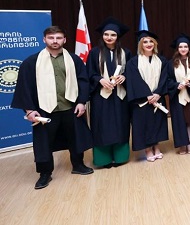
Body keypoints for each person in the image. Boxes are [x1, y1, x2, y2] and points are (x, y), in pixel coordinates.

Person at [12, 26, 94, 189]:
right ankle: (45, 173)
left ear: (64, 40)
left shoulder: (73, 60)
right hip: (44, 110)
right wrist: (29, 110)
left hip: (70, 107)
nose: (55, 41)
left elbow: (83, 81)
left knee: (75, 138)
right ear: (44, 39)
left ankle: (78, 165)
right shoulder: (31, 62)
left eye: (58, 38)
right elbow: (24, 87)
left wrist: (81, 102)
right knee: (44, 143)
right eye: (51, 38)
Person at [87, 17, 132, 168]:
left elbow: (132, 72)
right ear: (102, 36)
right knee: (102, 126)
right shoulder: (95, 53)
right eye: (106, 34)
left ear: (117, 37)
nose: (109, 37)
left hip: (120, 96)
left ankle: (120, 157)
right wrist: (99, 79)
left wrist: (124, 77)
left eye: (113, 35)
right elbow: (89, 73)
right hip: (101, 97)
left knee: (121, 124)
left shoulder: (126, 53)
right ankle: (103, 159)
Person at [125, 30, 169, 162]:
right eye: (145, 42)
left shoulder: (162, 60)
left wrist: (158, 93)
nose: (148, 44)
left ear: (155, 43)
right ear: (141, 44)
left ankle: (156, 147)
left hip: (158, 98)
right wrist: (147, 95)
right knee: (144, 124)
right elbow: (134, 80)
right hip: (142, 100)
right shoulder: (133, 62)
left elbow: (165, 78)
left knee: (157, 123)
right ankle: (148, 150)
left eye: (151, 41)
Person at [167, 34, 190, 155]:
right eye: (180, 47)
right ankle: (183, 145)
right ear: (177, 48)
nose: (183, 49)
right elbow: (167, 80)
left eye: (185, 46)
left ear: (189, 48)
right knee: (180, 121)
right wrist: (176, 85)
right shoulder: (171, 63)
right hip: (178, 97)